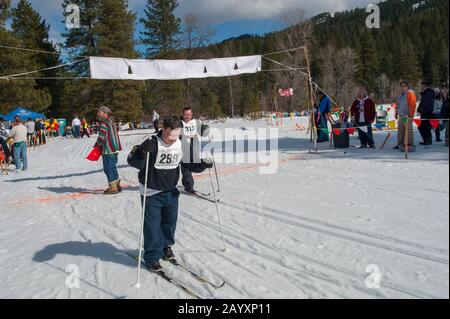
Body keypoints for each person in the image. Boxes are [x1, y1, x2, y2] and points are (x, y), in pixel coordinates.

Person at [127, 116, 213, 271]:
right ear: (164, 129)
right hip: (151, 192)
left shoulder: (180, 144)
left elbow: (189, 165)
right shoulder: (152, 143)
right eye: (170, 135)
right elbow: (132, 160)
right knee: (152, 227)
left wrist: (204, 164)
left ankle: (165, 247)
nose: (173, 139)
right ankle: (152, 256)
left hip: (171, 192)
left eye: (176, 135)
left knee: (170, 223)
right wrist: (142, 154)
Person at [179, 107, 210, 194]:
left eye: (189, 114)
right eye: (186, 114)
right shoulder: (178, 122)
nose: (187, 116)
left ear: (191, 114)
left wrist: (205, 129)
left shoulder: (196, 122)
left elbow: (203, 132)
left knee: (190, 165)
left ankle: (187, 184)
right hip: (182, 147)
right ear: (183, 114)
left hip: (194, 146)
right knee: (186, 165)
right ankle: (188, 185)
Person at [94, 106, 122, 195]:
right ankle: (117, 183)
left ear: (105, 113)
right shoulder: (111, 122)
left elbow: (101, 136)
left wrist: (97, 144)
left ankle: (112, 187)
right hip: (115, 148)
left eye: (100, 112)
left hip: (108, 149)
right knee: (113, 166)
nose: (98, 114)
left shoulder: (104, 123)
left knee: (108, 168)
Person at [394, 81, 417, 150]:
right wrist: (396, 113)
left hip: (407, 116)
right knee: (400, 130)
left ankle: (409, 144)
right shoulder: (400, 95)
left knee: (408, 130)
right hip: (401, 115)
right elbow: (397, 105)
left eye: (404, 86)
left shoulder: (410, 94)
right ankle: (400, 143)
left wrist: (410, 115)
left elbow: (412, 105)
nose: (403, 87)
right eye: (401, 86)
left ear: (407, 87)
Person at [417, 82, 435, 146]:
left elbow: (428, 104)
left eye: (424, 86)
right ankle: (426, 140)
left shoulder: (429, 93)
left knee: (424, 127)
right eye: (422, 86)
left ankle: (428, 140)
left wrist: (422, 109)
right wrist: (419, 108)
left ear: (427, 86)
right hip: (424, 112)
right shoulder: (425, 94)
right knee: (423, 127)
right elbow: (422, 103)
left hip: (427, 113)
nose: (423, 87)